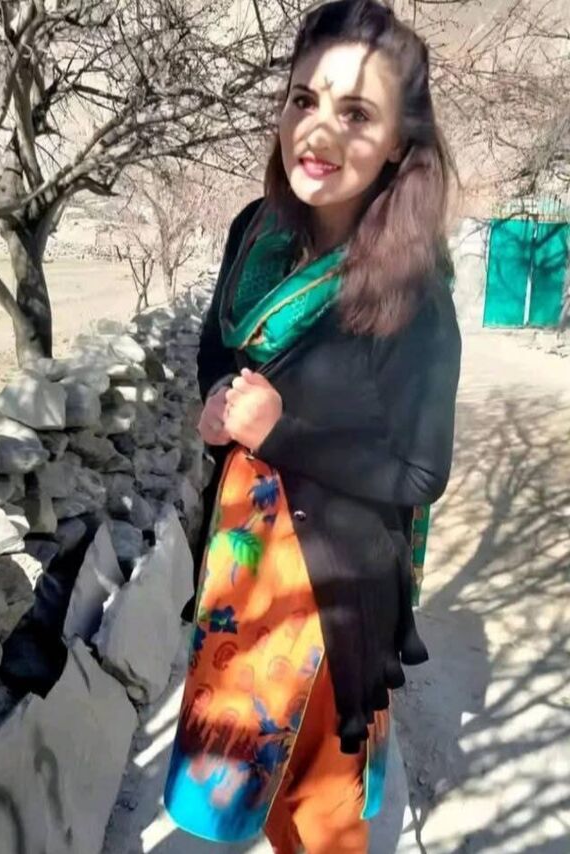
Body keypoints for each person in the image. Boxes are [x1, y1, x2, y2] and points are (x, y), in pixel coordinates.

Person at [164, 1, 461, 851]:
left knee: (317, 812)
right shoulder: (254, 234)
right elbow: (219, 353)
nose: (318, 130)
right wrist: (217, 406)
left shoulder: (411, 293)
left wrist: (280, 433)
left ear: (398, 144)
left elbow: (419, 474)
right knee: (243, 784)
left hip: (330, 592)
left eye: (356, 112)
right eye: (304, 99)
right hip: (239, 568)